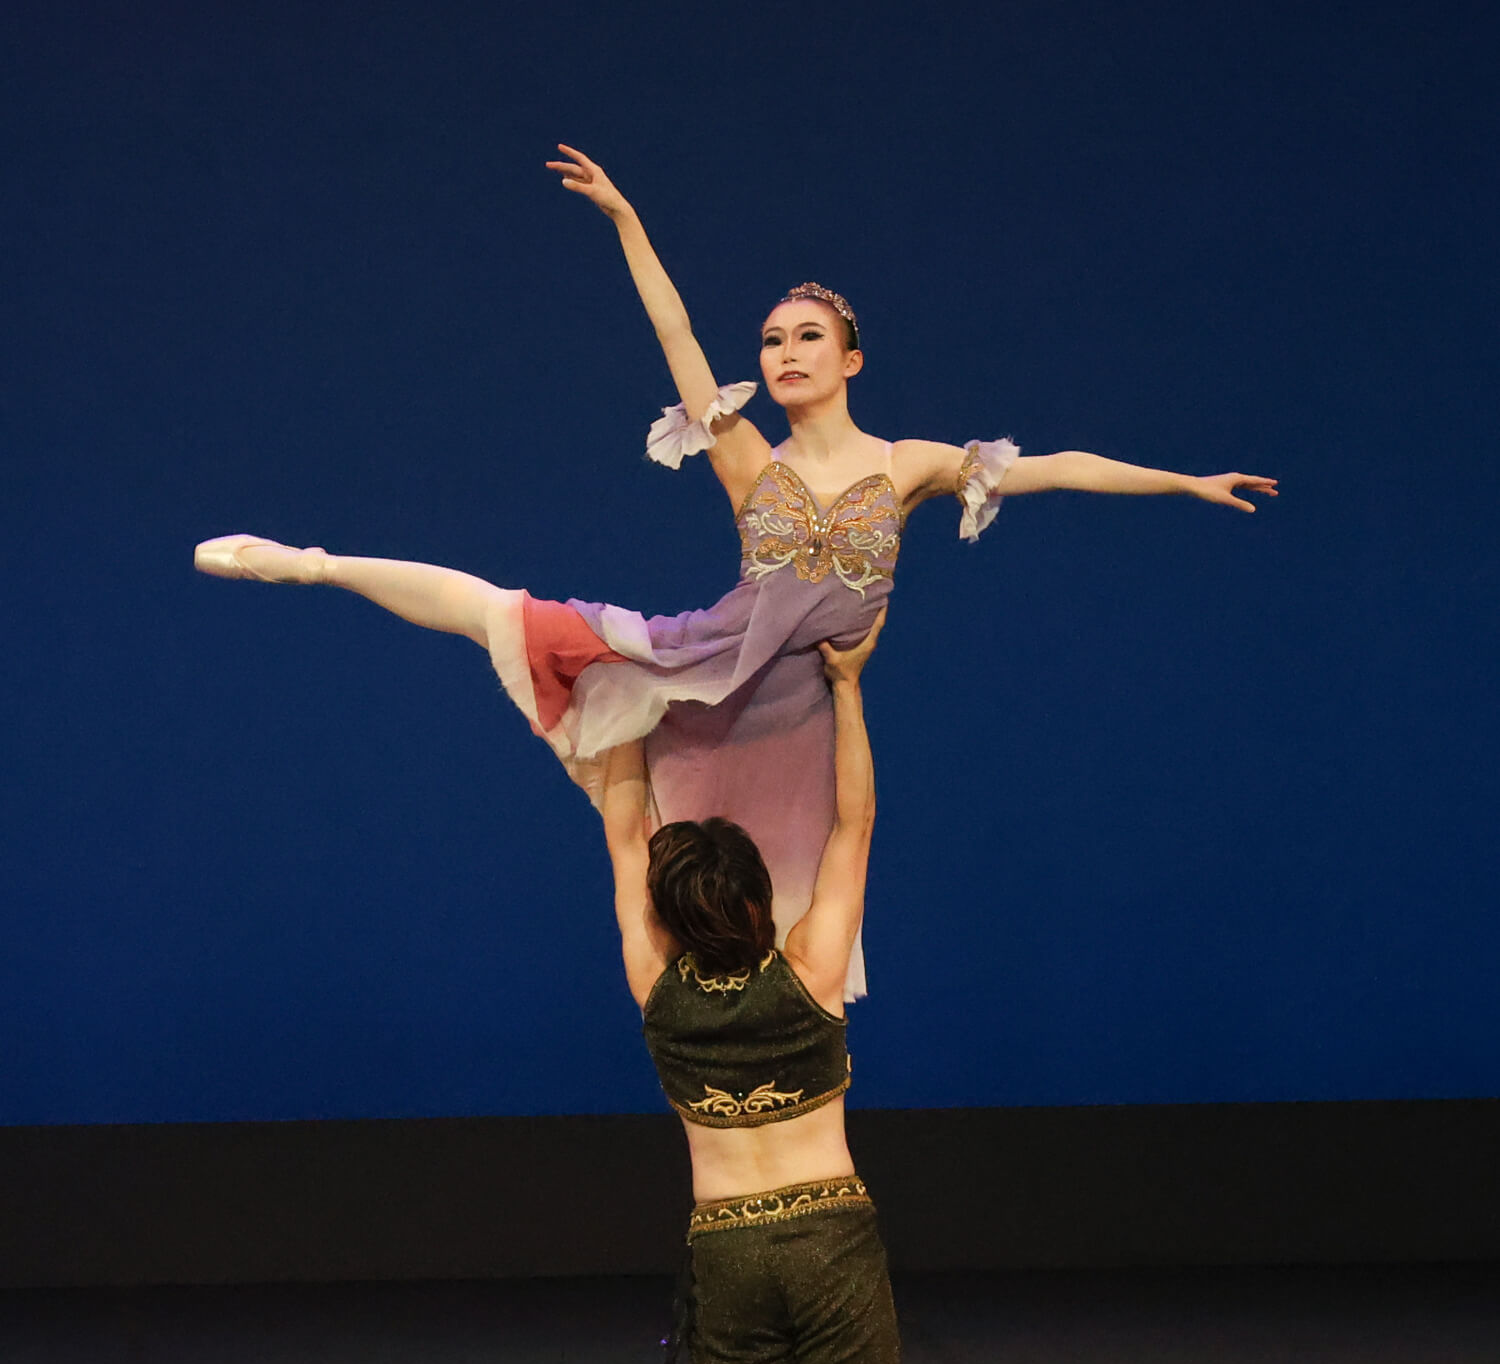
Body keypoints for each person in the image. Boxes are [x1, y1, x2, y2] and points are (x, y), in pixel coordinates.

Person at [194, 145, 1276, 997]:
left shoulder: (907, 464)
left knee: (797, 924)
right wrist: (628, 220)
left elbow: (1057, 467)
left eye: (807, 337)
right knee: (510, 620)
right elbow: (671, 330)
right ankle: (314, 565)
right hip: (716, 671)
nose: (784, 353)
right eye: (771, 340)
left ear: (851, 358)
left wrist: (1184, 481)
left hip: (803, 711)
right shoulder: (747, 456)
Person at [596, 603, 919, 1364]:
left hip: (726, 1241)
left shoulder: (656, 988)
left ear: (673, 915)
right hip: (830, 1234)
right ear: (753, 902)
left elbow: (626, 829)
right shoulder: (815, 968)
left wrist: (627, 695)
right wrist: (847, 686)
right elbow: (853, 820)